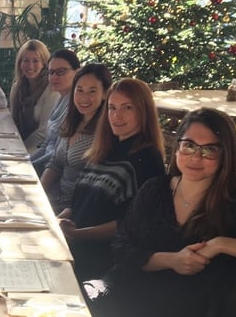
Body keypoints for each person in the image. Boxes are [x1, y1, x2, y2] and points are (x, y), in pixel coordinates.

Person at [86, 108, 236, 317]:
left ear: (225, 156)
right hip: (132, 293)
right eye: (189, 145)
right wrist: (172, 260)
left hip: (189, 307)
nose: (196, 156)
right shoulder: (155, 189)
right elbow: (122, 249)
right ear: (177, 149)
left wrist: (221, 244)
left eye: (209, 150)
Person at [58, 78, 166, 280]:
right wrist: (57, 220)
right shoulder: (105, 148)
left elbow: (131, 224)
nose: (117, 115)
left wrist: (78, 234)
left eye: (127, 108)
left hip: (101, 261)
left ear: (143, 112)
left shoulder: (147, 158)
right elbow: (78, 200)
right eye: (112, 107)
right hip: (72, 244)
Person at [40, 63, 111, 213]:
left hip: (72, 211)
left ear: (105, 93)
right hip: (51, 200)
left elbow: (94, 188)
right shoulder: (71, 121)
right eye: (79, 90)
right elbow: (55, 164)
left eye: (92, 91)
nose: (84, 97)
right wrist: (38, 193)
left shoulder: (105, 133)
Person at [30, 49, 81, 175]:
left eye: (61, 71)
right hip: (43, 167)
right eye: (51, 72)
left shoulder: (77, 106)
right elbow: (46, 144)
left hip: (54, 175)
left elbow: (57, 156)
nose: (54, 77)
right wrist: (26, 164)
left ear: (78, 72)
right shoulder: (61, 98)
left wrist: (29, 170)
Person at [9, 39, 60, 152]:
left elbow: (44, 131)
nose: (30, 65)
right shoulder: (17, 87)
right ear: (20, 63)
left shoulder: (51, 90)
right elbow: (12, 121)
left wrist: (20, 148)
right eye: (26, 60)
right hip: (17, 145)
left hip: (41, 149)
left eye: (35, 61)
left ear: (44, 63)